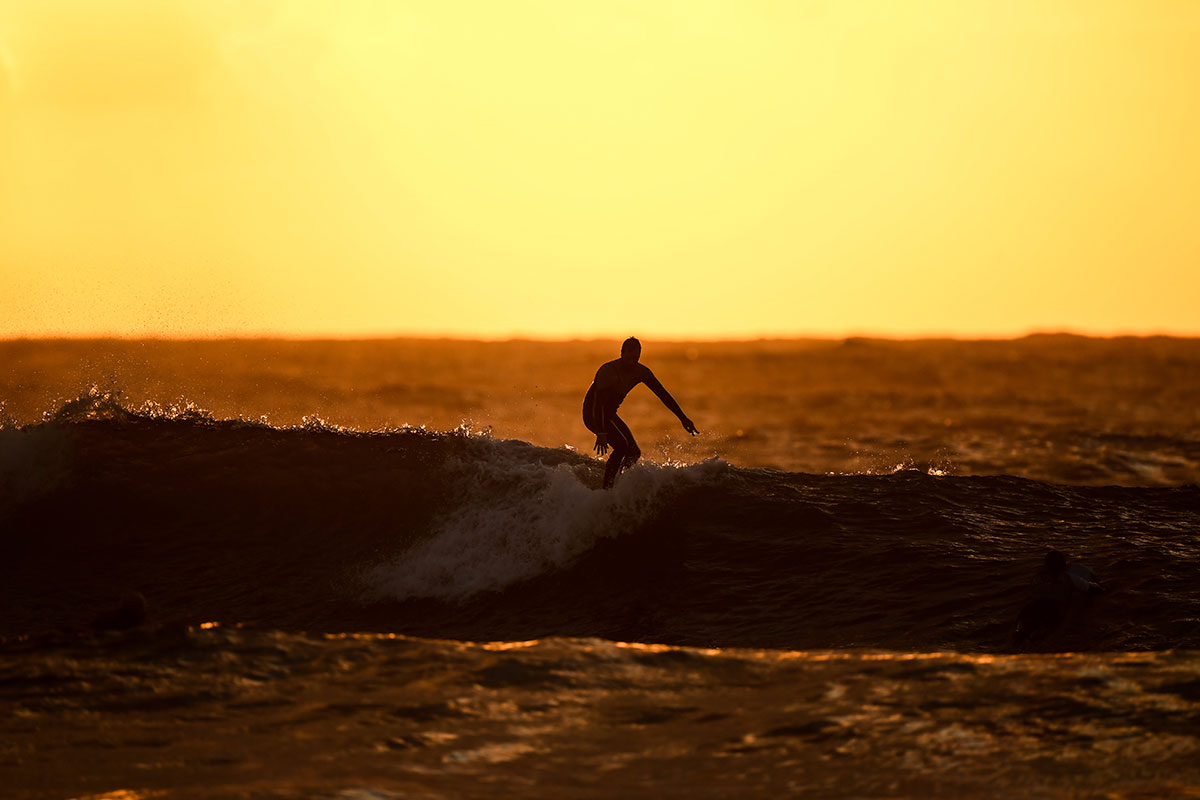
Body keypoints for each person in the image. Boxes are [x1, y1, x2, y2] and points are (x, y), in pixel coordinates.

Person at [582, 337, 698, 489]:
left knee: (634, 452)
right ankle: (607, 488)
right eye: (629, 355)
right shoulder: (608, 371)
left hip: (609, 415)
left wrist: (683, 418)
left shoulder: (641, 372)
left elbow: (663, 395)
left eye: (636, 356)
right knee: (622, 446)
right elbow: (599, 406)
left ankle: (619, 481)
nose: (632, 359)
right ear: (622, 353)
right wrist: (601, 432)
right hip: (593, 415)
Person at [1009, 550, 1103, 648]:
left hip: (1030, 608)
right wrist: (1104, 589)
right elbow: (1090, 587)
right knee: (1045, 632)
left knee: (1023, 631)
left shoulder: (1036, 578)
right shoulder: (1069, 577)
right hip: (1053, 608)